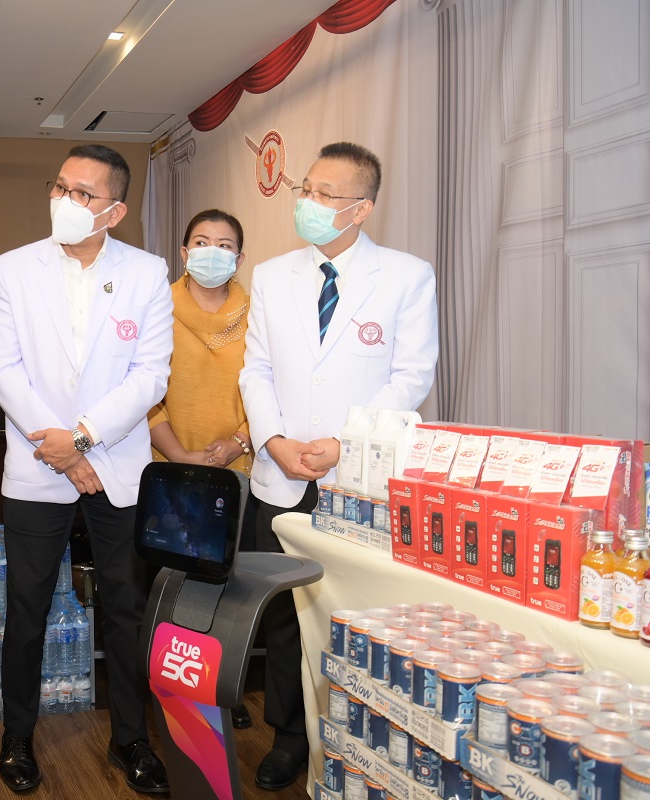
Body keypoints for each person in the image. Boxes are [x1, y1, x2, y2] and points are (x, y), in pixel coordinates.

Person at [239, 142, 438, 790]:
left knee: (356, 613)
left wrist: (344, 444)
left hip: (358, 480)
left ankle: (358, 737)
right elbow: (255, 369)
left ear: (362, 208)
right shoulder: (272, 275)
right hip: (281, 474)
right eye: (307, 189)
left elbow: (411, 377)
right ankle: (289, 737)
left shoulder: (406, 276)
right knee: (284, 615)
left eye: (326, 194)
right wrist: (273, 441)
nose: (309, 203)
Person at [0, 144, 173, 795]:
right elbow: (3, 371)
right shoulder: (13, 268)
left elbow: (150, 376)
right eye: (60, 187)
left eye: (83, 193)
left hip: (115, 465)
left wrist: (84, 441)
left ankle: (130, 739)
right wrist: (61, 450)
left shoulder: (147, 273)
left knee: (125, 609)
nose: (65, 201)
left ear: (115, 211)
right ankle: (17, 736)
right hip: (38, 466)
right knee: (26, 608)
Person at [146, 208, 257, 729]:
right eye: (202, 241)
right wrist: (180, 454)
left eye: (225, 244)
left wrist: (239, 441)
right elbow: (144, 392)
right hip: (171, 472)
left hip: (239, 471)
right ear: (184, 252)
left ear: (240, 257)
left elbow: (271, 385)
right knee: (174, 587)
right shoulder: (157, 308)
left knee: (229, 589)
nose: (213, 251)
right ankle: (175, 692)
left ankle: (221, 688)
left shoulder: (257, 314)